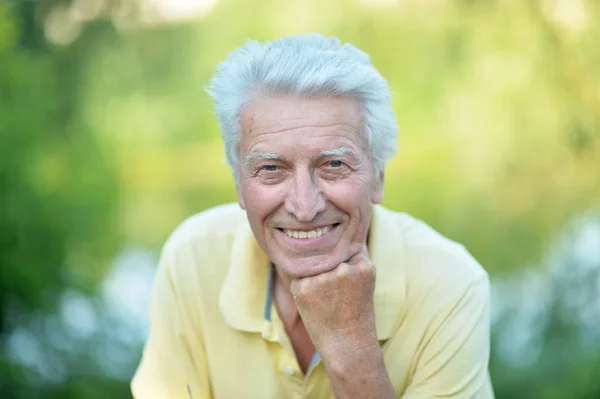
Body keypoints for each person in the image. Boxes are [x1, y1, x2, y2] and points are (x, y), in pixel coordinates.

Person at [131, 34, 494, 399]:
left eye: (334, 164)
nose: (304, 208)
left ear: (379, 175)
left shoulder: (451, 284)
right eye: (272, 168)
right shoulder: (192, 259)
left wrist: (351, 351)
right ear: (239, 184)